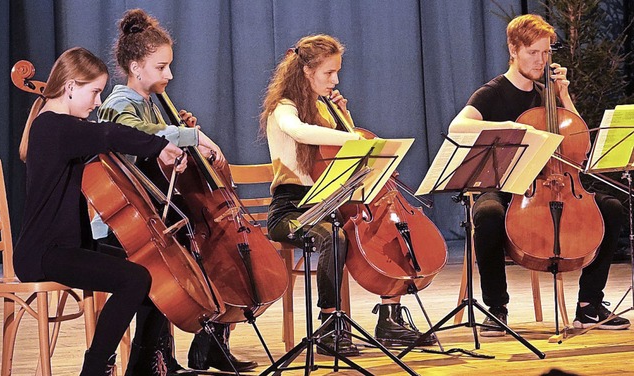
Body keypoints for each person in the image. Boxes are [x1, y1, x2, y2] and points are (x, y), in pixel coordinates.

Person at [95, 8, 257, 374]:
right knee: (174, 267)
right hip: (120, 225)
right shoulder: (121, 103)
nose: (169, 74)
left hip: (149, 215)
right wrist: (191, 136)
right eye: (161, 67)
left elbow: (155, 153)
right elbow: (132, 133)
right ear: (136, 67)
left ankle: (166, 356)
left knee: (197, 249)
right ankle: (154, 360)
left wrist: (177, 136)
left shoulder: (149, 103)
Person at [449, 14, 631, 336]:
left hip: (556, 184)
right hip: (506, 186)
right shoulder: (492, 93)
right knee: (487, 213)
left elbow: (577, 137)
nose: (541, 60)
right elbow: (458, 127)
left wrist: (562, 94)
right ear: (514, 49)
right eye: (533, 52)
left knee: (613, 208)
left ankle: (588, 306)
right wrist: (511, 128)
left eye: (546, 53)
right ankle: (497, 308)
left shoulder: (548, 91)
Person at [259, 34, 436, 356]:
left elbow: (344, 160)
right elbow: (299, 132)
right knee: (333, 238)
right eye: (329, 73)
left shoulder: (323, 107)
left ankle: (390, 317)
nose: (335, 80)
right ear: (306, 72)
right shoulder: (283, 108)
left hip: (330, 204)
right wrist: (351, 136)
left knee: (384, 234)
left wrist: (347, 123)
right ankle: (330, 325)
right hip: (291, 210)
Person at [14, 47, 187, 375]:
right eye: (94, 93)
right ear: (69, 87)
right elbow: (110, 133)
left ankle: (142, 364)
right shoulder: (53, 126)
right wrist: (160, 146)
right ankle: (95, 369)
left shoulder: (58, 128)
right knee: (134, 279)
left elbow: (103, 141)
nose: (97, 103)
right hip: (44, 253)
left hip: (69, 245)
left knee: (153, 268)